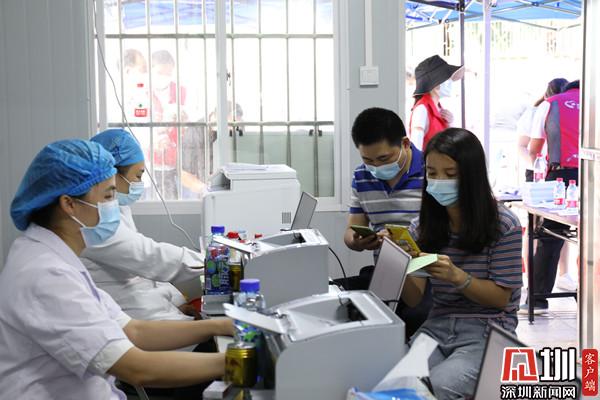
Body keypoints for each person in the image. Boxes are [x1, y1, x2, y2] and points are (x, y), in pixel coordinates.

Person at [0, 139, 233, 399]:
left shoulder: (54, 257)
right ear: (69, 204)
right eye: (108, 196)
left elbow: (133, 331)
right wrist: (239, 362)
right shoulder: (45, 274)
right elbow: (137, 369)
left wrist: (220, 326)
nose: (115, 207)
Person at [401, 128, 523, 400]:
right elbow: (413, 298)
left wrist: (458, 277)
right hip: (436, 328)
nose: (438, 181)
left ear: (472, 177)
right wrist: (402, 261)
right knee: (398, 385)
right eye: (432, 173)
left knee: (435, 388)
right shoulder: (422, 227)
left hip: (489, 331)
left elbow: (501, 299)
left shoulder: (504, 225)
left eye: (450, 174)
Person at [81, 129, 203, 323]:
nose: (140, 183)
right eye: (137, 176)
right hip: (134, 316)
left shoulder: (117, 208)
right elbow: (149, 257)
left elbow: (146, 269)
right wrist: (211, 261)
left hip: (148, 307)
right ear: (112, 175)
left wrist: (177, 300)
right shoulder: (93, 221)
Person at [342, 107, 431, 338]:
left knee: (413, 318)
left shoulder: (431, 172)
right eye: (368, 160)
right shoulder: (362, 176)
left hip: (428, 275)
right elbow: (351, 232)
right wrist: (358, 241)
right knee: (339, 299)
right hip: (387, 273)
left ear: (405, 143)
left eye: (384, 159)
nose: (376, 167)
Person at [522, 80, 580, 313]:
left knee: (551, 235)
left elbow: (534, 149)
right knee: (592, 238)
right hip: (594, 175)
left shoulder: (551, 104)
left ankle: (538, 300)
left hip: (561, 177)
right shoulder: (594, 103)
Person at [517, 78, 568, 182]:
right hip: (536, 170)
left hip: (561, 169)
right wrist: (537, 167)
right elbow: (521, 146)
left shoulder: (570, 111)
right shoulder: (533, 113)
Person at [409, 55, 464, 151]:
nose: (451, 82)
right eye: (447, 79)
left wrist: (450, 124)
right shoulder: (421, 109)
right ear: (435, 84)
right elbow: (416, 150)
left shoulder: (439, 109)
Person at [151, 49, 184, 199]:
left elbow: (193, 119)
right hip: (150, 160)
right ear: (151, 70)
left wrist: (184, 118)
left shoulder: (181, 91)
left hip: (176, 158)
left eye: (168, 74)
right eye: (160, 73)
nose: (164, 78)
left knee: (175, 201)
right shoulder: (142, 92)